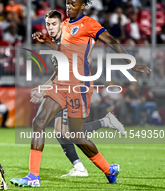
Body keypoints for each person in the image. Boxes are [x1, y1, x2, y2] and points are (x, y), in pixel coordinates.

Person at [10, 0, 150, 187]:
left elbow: (112, 42)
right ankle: (33, 176)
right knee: (38, 122)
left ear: (83, 6)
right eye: (67, 3)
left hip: (79, 86)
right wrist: (47, 41)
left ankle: (109, 169)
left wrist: (131, 63)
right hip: (61, 83)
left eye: (73, 4)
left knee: (76, 135)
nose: (69, 7)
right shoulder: (65, 25)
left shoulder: (90, 24)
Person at [28, 10, 126, 177]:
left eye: (54, 24)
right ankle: (78, 167)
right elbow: (60, 70)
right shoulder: (57, 43)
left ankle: (104, 127)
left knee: (70, 133)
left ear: (62, 24)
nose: (50, 28)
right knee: (56, 130)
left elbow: (81, 60)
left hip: (76, 88)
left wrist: (44, 87)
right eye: (48, 24)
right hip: (62, 86)